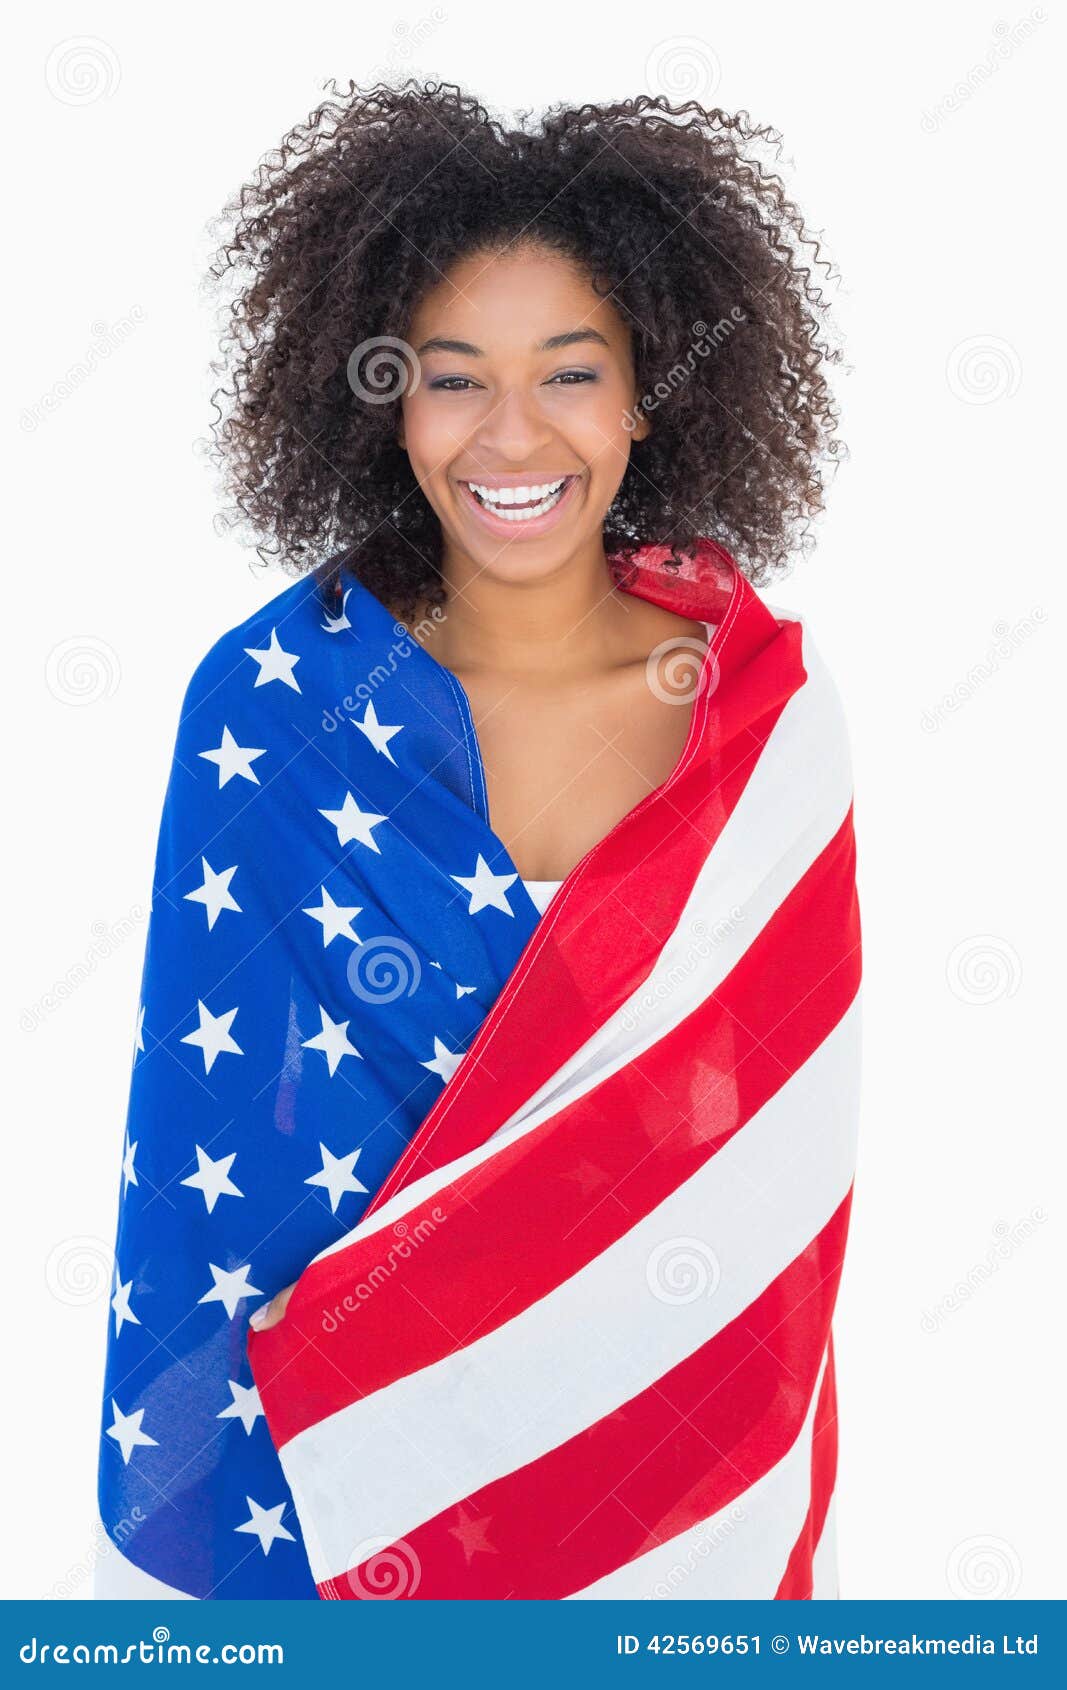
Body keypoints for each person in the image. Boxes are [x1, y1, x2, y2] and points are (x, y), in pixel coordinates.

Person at [95, 81, 858, 1600]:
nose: (515, 433)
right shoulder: (273, 702)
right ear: (386, 399)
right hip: (321, 1501)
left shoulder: (763, 716)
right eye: (455, 379)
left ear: (651, 390)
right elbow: (214, 1134)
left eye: (572, 372)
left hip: (660, 1478)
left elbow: (773, 1163)